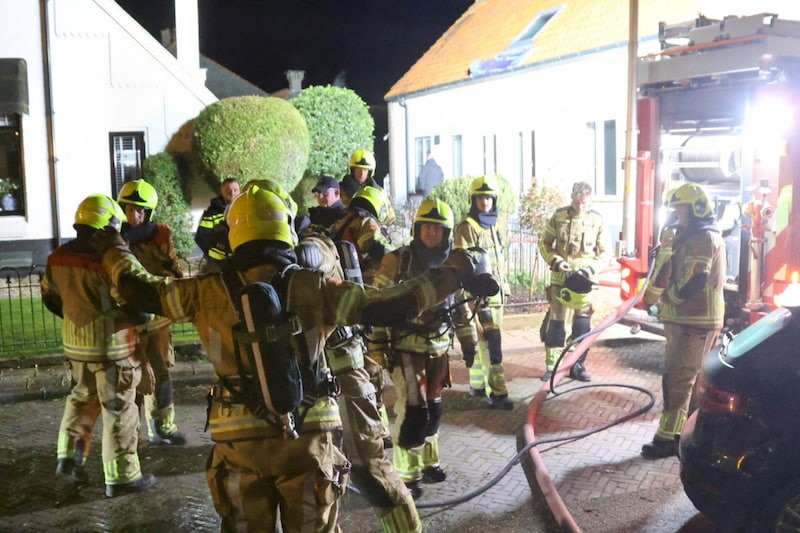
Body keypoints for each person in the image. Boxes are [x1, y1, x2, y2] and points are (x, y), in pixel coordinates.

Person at [89, 183, 497, 531]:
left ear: (234, 232)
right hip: (307, 444)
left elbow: (138, 287)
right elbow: (392, 304)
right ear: (286, 227)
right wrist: (455, 272)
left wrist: (112, 245)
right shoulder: (314, 287)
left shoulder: (202, 292)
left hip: (238, 448)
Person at [295, 229, 422, 532]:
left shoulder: (313, 251)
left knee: (370, 472)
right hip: (321, 387)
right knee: (316, 478)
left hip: (345, 382)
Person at [42, 194, 156, 497]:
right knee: (119, 410)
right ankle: (122, 477)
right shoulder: (110, 259)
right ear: (107, 225)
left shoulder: (57, 257)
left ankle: (69, 458)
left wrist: (78, 316)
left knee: (80, 399)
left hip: (76, 347)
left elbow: (50, 298)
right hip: (113, 350)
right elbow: (136, 303)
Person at [371, 199, 477, 500]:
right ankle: (406, 474)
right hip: (405, 347)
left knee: (434, 407)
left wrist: (469, 343)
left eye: (438, 229)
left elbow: (460, 309)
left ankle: (429, 463)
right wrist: (377, 346)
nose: (431, 233)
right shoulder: (397, 262)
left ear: (447, 233)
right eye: (427, 227)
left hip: (439, 348)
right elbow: (376, 304)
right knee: (414, 409)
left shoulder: (452, 268)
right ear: (417, 229)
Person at [639, 182, 726, 459]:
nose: (678, 215)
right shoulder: (689, 236)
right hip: (690, 321)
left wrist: (670, 298)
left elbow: (697, 279)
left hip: (695, 320)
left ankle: (668, 439)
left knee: (679, 380)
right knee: (691, 379)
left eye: (681, 210)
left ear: (696, 209)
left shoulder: (703, 238)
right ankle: (691, 436)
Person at [118, 179, 187, 446]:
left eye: (140, 211)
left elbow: (176, 270)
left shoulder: (160, 236)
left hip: (157, 319)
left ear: (148, 212)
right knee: (130, 376)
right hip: (129, 321)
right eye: (130, 209)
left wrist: (166, 279)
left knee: (161, 373)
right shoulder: (114, 240)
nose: (134, 215)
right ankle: (131, 432)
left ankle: (164, 427)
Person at [539, 181, 611, 383]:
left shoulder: (598, 221)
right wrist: (555, 260)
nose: (581, 207)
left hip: (584, 283)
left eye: (585, 203)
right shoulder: (559, 217)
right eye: (577, 203)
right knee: (556, 323)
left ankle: (577, 365)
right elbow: (545, 243)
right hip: (560, 279)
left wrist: (590, 270)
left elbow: (606, 253)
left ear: (590, 201)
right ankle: (552, 367)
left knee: (582, 325)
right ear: (572, 199)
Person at [454, 176, 514, 410]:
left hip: (497, 295)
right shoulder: (467, 227)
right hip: (480, 296)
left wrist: (505, 289)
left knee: (484, 340)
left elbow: (501, 260)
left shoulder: (497, 225)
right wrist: (473, 297)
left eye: (488, 198)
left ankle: (477, 384)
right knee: (492, 342)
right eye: (480, 198)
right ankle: (498, 392)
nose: (484, 202)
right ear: (474, 200)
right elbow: (464, 265)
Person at [195, 177, 240, 274]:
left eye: (235, 190)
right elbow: (200, 237)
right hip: (218, 264)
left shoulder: (246, 209)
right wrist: (214, 255)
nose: (232, 193)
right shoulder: (211, 213)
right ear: (222, 191)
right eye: (228, 191)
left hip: (241, 259)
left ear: (240, 191)